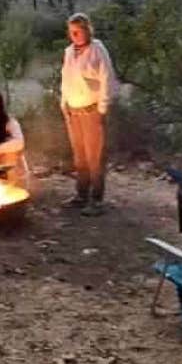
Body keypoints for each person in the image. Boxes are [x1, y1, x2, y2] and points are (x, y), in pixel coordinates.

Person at [59, 12, 117, 216]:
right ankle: (81, 194)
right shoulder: (69, 52)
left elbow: (107, 79)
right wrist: (63, 103)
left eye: (78, 31)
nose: (75, 35)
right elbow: (65, 78)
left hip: (92, 110)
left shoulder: (97, 50)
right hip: (74, 111)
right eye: (72, 32)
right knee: (80, 156)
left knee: (95, 157)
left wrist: (102, 108)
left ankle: (97, 199)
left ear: (87, 30)